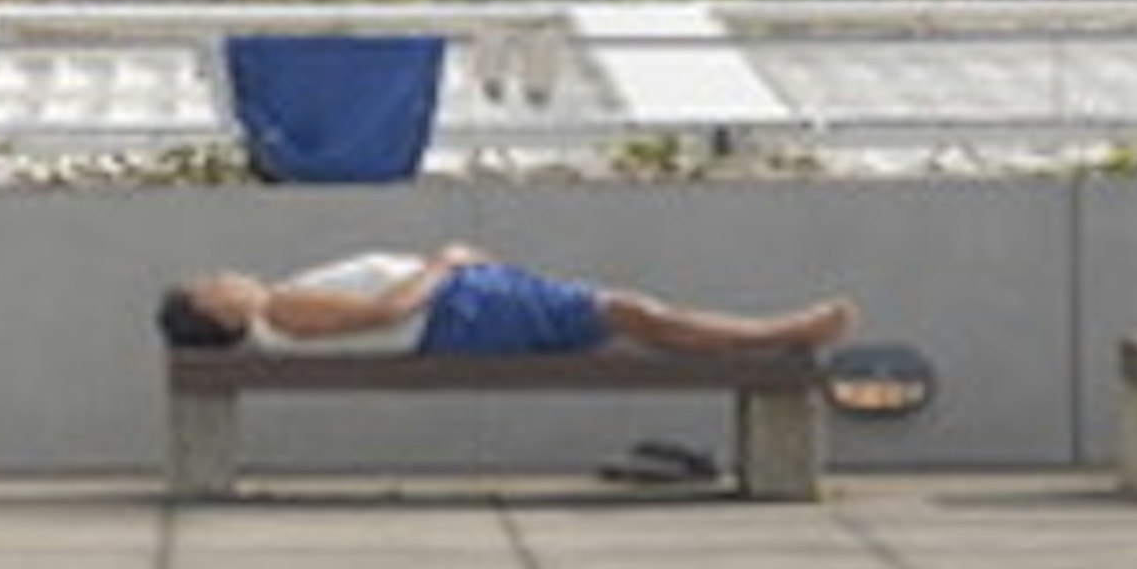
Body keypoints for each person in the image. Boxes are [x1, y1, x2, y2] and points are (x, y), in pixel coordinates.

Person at [154, 243, 857, 360]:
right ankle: (775, 334)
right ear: (220, 314)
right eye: (211, 283)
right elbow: (386, 312)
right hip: (462, 309)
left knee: (626, 314)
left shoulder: (280, 306)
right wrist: (445, 261)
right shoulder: (281, 311)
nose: (224, 273)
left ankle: (772, 335)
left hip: (466, 309)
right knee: (631, 313)